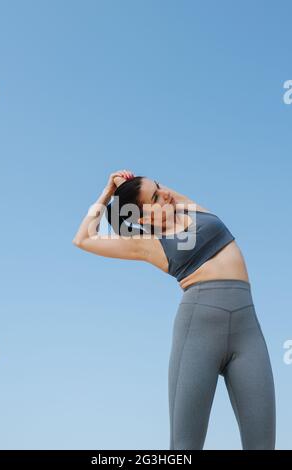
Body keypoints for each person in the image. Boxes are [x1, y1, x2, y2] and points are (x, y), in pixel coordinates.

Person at [72, 169, 276, 450]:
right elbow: (82, 239)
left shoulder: (192, 210)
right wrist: (107, 193)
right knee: (185, 447)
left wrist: (131, 184)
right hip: (198, 330)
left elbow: (161, 190)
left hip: (248, 330)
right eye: (155, 197)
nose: (165, 193)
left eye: (159, 187)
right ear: (141, 218)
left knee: (263, 444)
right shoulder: (146, 245)